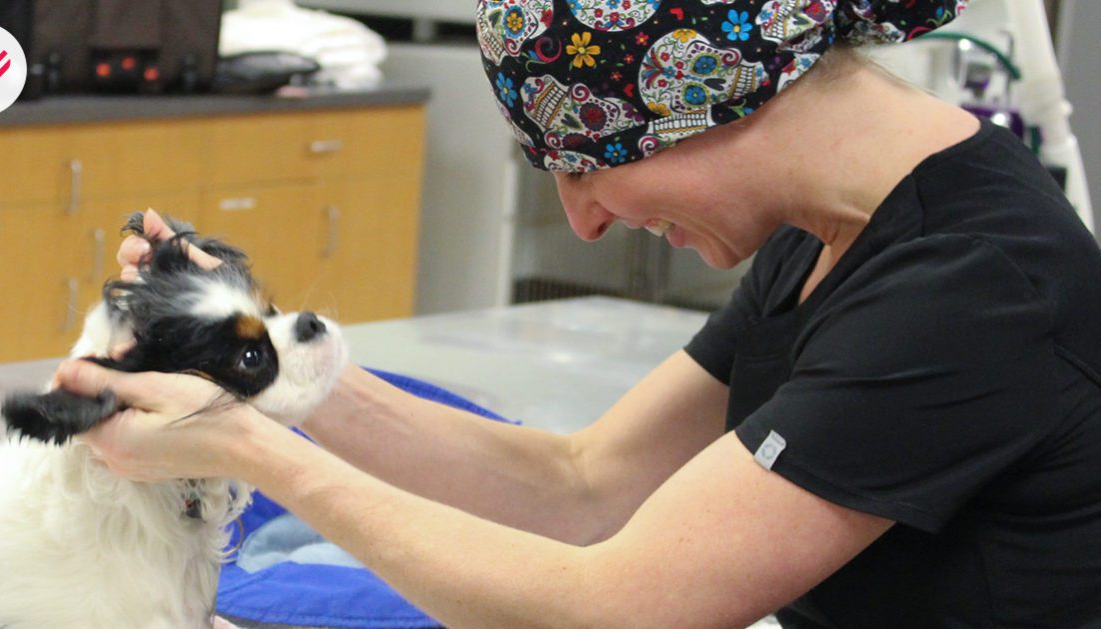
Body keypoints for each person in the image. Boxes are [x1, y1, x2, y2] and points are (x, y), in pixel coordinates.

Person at [57, 1, 1101, 626]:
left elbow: (613, 607)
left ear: (716, 96)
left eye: (584, 166)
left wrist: (255, 450)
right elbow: (579, 488)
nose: (587, 222)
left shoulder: (972, 283)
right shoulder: (828, 233)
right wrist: (267, 362)